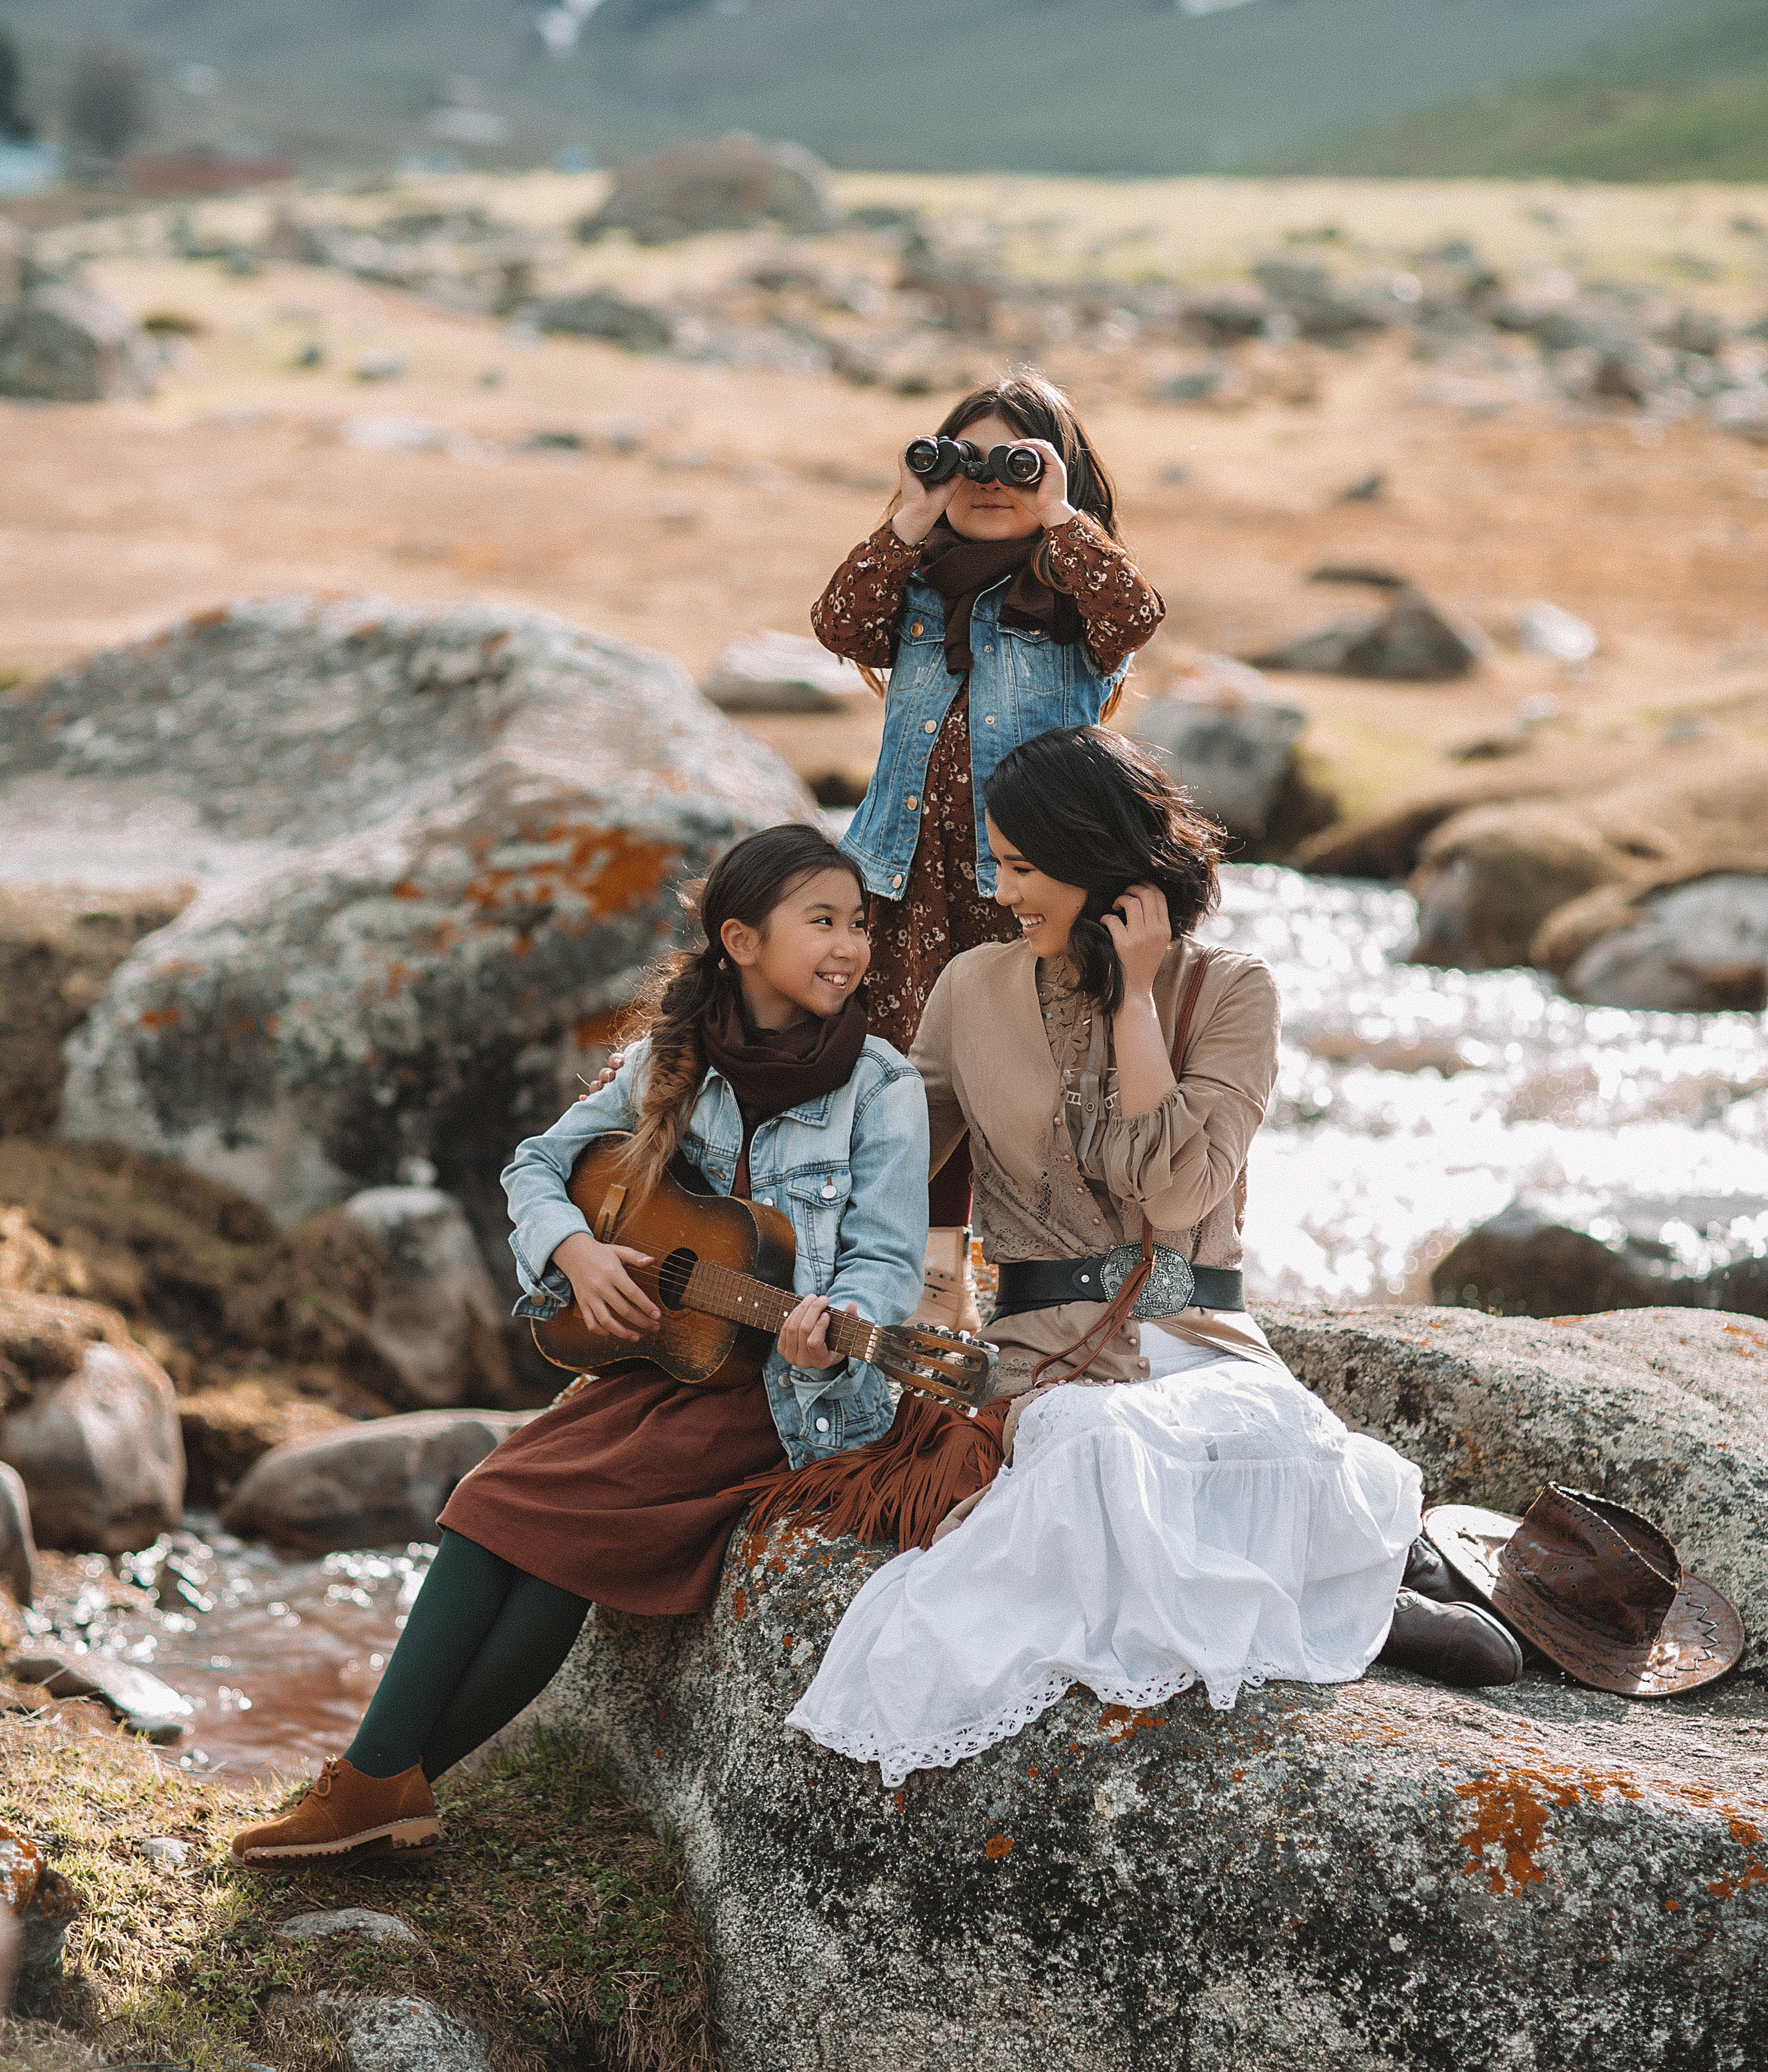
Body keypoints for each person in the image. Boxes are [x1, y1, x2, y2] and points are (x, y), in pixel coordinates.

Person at [776, 729, 1521, 1792]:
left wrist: (1131, 1002)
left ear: (1105, 869)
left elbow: (1175, 1191)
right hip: (1047, 1357)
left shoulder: (1230, 992)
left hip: (1196, 1333)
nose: (1003, 891)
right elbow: (886, 1166)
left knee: (1261, 1430)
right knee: (1085, 1448)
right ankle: (1343, 1597)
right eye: (998, 862)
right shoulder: (972, 988)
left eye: (1027, 868)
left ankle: (1357, 1591)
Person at [231, 823, 928, 1863]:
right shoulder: (666, 1060)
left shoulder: (880, 1086)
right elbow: (534, 1168)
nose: (851, 945)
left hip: (785, 1395)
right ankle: (385, 1787)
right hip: (672, 1364)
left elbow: (886, 1265)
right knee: (500, 1507)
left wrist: (833, 1334)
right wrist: (578, 1257)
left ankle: (380, 1783)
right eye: (822, 921)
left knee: (519, 1508)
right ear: (741, 940)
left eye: (860, 924)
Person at [811, 369, 1163, 1314]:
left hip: (1028, 883)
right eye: (966, 460)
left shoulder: (1074, 600)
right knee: (907, 1075)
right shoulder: (918, 592)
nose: (988, 480)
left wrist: (1060, 517)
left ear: (1061, 477)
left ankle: (1038, 1279)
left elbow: (1138, 613)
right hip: (908, 875)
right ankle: (930, 1276)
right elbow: (837, 622)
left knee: (1021, 1079)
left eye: (1017, 461)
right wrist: (909, 515)